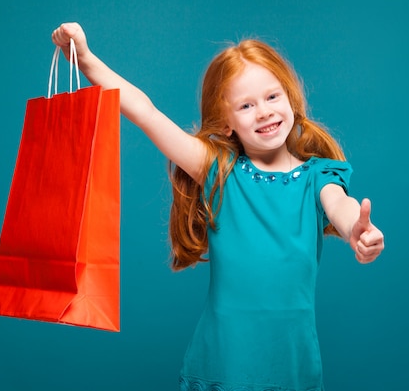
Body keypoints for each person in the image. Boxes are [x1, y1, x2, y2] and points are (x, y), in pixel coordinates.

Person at [51, 22, 384, 391]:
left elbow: (340, 204)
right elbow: (146, 112)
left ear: (291, 98)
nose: (263, 112)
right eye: (246, 105)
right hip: (222, 366)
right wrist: (86, 60)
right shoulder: (218, 172)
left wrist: (357, 228)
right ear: (226, 124)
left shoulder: (319, 177)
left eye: (272, 97)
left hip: (293, 369)